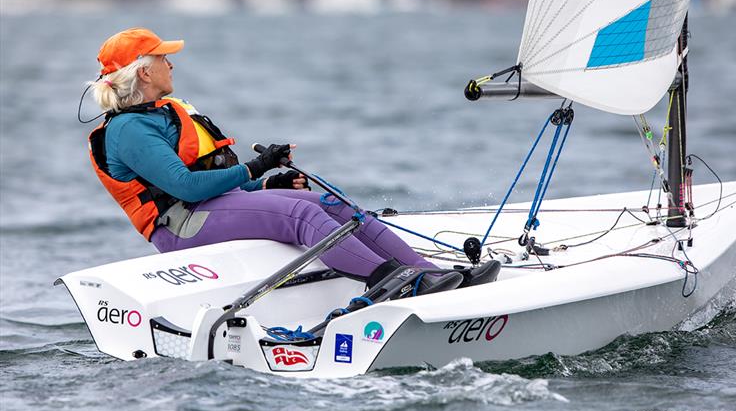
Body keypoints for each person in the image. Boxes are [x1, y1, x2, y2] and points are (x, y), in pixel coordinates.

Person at [87, 27, 498, 295]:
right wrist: (256, 168)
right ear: (143, 73)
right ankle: (393, 284)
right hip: (183, 225)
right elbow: (187, 188)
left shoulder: (159, 112)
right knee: (302, 216)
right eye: (162, 58)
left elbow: (211, 179)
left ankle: (427, 273)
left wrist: (265, 185)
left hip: (207, 208)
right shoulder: (129, 131)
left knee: (333, 204)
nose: (170, 63)